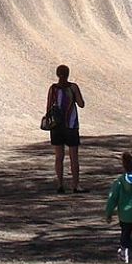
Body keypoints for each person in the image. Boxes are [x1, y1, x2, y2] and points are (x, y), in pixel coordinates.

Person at [46, 64, 87, 193]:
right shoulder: (73, 87)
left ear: (57, 74)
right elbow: (81, 104)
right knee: (74, 156)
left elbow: (48, 107)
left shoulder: (53, 88)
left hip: (57, 126)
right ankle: (76, 185)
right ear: (68, 74)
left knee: (59, 156)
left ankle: (60, 185)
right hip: (71, 125)